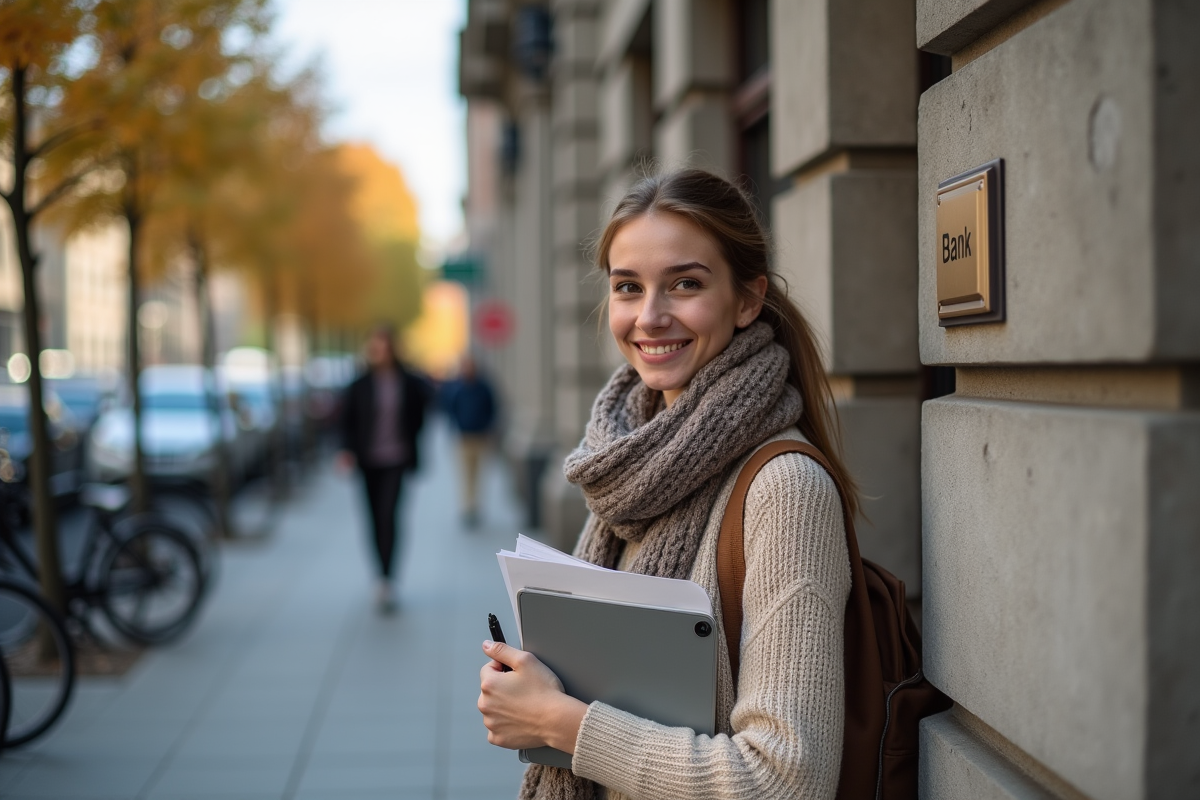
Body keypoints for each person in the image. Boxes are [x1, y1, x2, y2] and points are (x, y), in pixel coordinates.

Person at [477, 169, 860, 800]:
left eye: (685, 284)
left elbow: (784, 779)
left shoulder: (785, 490)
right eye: (628, 287)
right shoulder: (626, 470)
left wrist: (561, 723)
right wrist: (527, 691)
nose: (650, 318)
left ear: (747, 299)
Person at [337, 324, 428, 612]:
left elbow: (420, 414)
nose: (381, 352)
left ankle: (389, 578)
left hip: (396, 459)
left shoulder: (407, 381)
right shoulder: (359, 384)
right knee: (373, 518)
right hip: (367, 461)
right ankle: (379, 574)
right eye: (376, 347)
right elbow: (346, 420)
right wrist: (346, 451)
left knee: (390, 516)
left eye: (386, 346)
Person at [441, 355, 498, 528]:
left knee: (479, 473)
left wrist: (488, 427)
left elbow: (492, 408)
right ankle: (467, 507)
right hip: (463, 437)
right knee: (465, 474)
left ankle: (476, 506)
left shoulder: (484, 387)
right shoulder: (456, 388)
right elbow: (449, 408)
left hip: (481, 437)